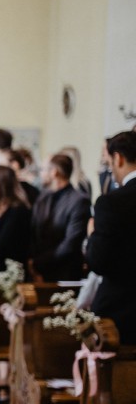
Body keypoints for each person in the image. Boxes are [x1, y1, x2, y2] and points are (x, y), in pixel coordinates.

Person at [86, 131, 136, 344]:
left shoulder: (111, 203)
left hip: (122, 314)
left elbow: (98, 262)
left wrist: (92, 236)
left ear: (118, 158)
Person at [29, 154, 91, 282]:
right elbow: (33, 231)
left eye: (43, 169)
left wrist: (38, 262)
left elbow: (71, 243)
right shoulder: (42, 197)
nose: (40, 174)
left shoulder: (79, 201)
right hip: (36, 271)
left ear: (54, 172)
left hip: (64, 273)